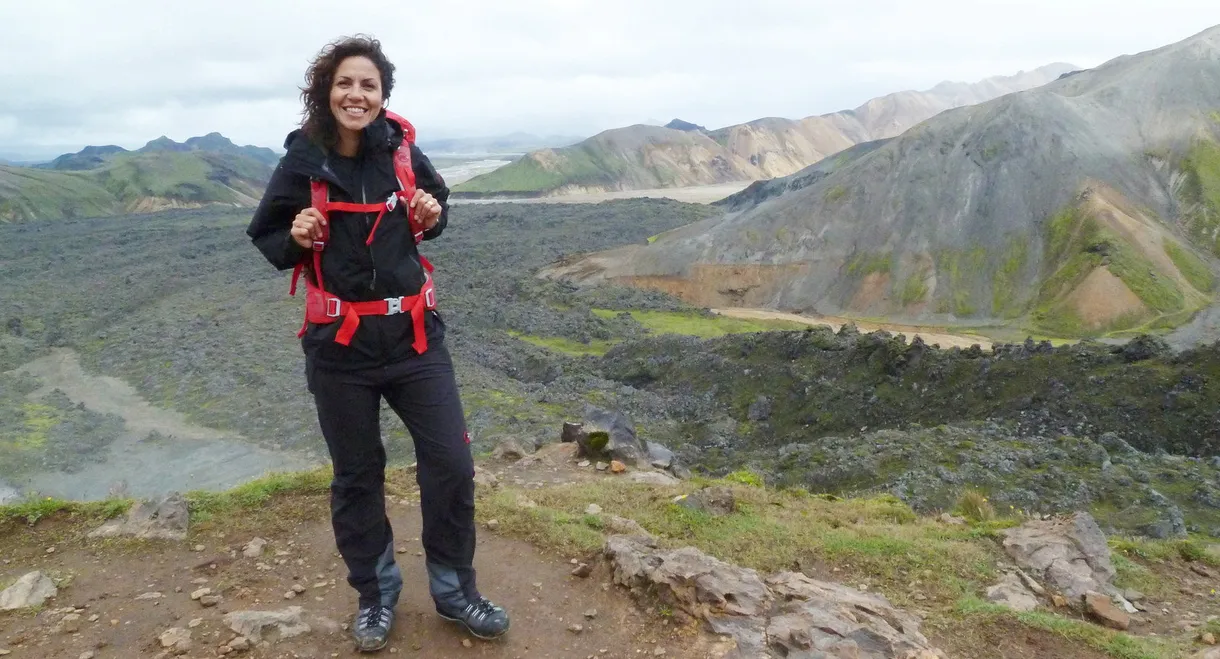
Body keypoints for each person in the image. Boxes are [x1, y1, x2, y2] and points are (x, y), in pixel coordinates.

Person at [246, 35, 509, 652]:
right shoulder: (302, 161)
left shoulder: (402, 150)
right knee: (358, 475)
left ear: (383, 94)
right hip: (339, 350)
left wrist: (429, 213)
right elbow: (268, 237)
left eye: (367, 85)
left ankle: (453, 588)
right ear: (326, 91)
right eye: (345, 83)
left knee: (451, 462)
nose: (356, 94)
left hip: (415, 339)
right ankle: (377, 594)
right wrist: (298, 235)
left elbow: (436, 208)